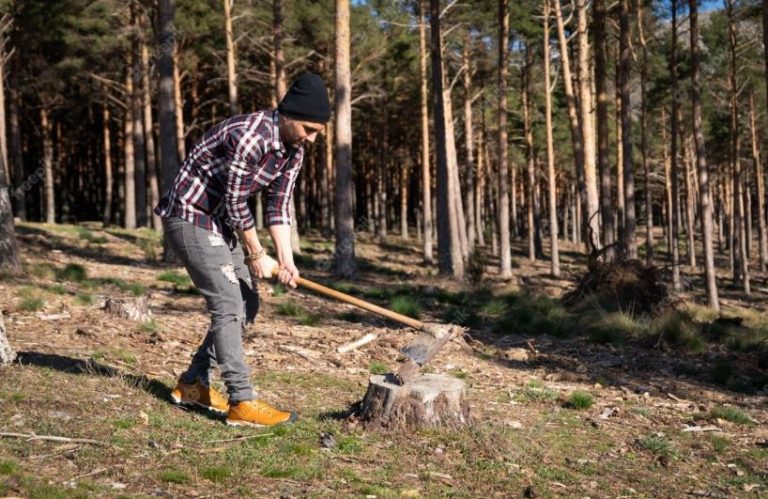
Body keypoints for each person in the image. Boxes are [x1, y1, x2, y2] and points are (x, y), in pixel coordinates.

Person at [154, 72, 330, 427]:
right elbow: (237, 203)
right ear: (288, 115)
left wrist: (286, 261)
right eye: (308, 129)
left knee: (248, 301)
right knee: (229, 304)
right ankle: (241, 401)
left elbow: (279, 205)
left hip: (220, 222)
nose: (311, 139)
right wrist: (256, 253)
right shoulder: (251, 136)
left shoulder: (293, 150)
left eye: (318, 132)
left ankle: (193, 384)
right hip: (190, 216)